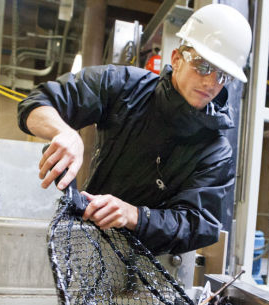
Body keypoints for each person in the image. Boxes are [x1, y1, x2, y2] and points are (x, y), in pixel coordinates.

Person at [17, 4, 252, 256]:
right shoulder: (125, 86)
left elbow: (199, 225)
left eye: (222, 75)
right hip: (89, 241)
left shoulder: (215, 150)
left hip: (149, 266)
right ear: (176, 58)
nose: (210, 82)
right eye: (203, 66)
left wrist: (135, 216)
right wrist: (63, 132)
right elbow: (37, 102)